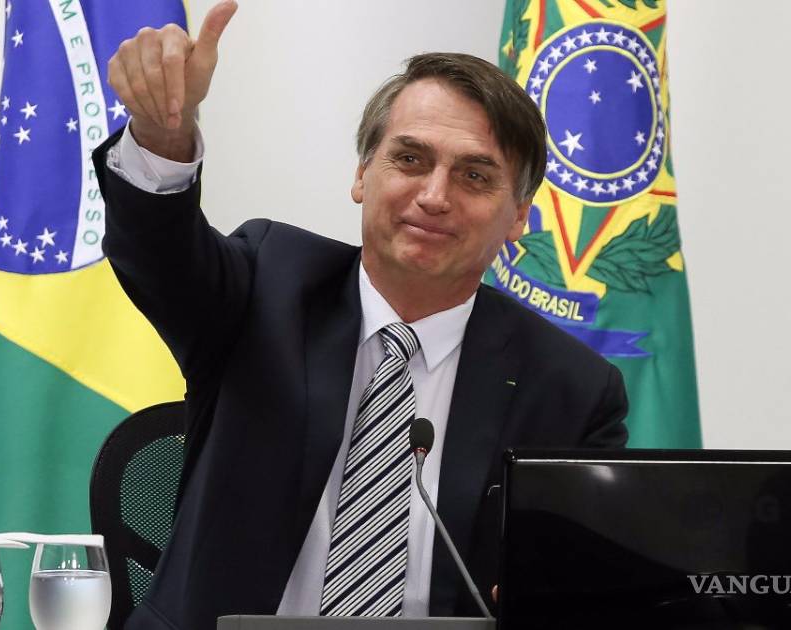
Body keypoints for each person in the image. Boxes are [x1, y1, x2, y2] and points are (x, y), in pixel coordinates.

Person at [96, 2, 628, 628]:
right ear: (362, 174)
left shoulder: (571, 391)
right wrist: (163, 134)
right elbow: (158, 255)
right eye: (410, 159)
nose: (434, 196)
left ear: (517, 217)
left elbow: (583, 588)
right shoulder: (267, 283)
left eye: (474, 176)